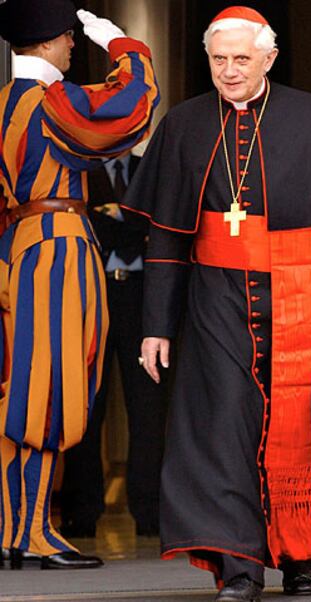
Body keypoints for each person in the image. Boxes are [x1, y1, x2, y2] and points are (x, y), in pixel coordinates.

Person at [123, 6, 311, 601]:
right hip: (215, 300)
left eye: (241, 59)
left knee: (306, 429)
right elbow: (167, 240)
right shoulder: (186, 125)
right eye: (219, 60)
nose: (229, 71)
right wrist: (155, 327)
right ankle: (239, 568)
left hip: (305, 295)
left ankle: (299, 558)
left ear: (268, 59)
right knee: (221, 432)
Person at [0, 0, 159, 570]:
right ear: (46, 44)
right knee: (51, 390)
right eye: (68, 39)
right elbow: (131, 106)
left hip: (17, 249)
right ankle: (35, 532)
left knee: (18, 388)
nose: (73, 47)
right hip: (58, 246)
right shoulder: (49, 102)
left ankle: (17, 530)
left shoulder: (3, 105)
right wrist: (123, 45)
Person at [60, 154, 168, 539]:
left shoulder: (149, 167)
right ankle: (81, 511)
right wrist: (131, 227)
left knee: (148, 410)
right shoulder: (79, 174)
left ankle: (150, 511)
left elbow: (162, 223)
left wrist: (114, 219)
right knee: (88, 405)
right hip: (92, 296)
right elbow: (81, 224)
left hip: (143, 301)